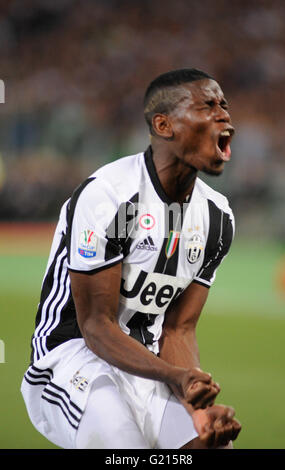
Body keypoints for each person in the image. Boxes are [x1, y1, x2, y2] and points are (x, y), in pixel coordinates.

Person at [21, 68, 241, 449]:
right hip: (72, 356)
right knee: (123, 446)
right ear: (164, 124)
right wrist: (175, 376)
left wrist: (196, 403)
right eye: (208, 105)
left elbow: (178, 329)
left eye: (225, 105)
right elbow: (95, 326)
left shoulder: (218, 218)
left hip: (149, 361)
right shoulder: (115, 198)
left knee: (214, 445)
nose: (224, 115)